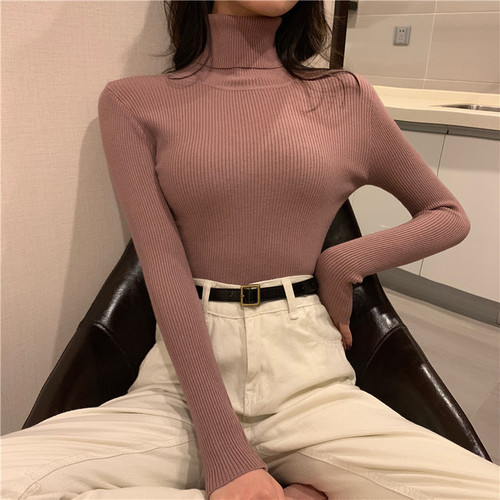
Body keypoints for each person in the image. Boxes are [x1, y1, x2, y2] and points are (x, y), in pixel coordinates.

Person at [2, 1, 499, 499]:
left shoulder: (346, 97)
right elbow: (162, 265)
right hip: (182, 385)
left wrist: (343, 261)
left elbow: (446, 214)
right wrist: (226, 453)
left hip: (307, 378)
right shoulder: (133, 102)